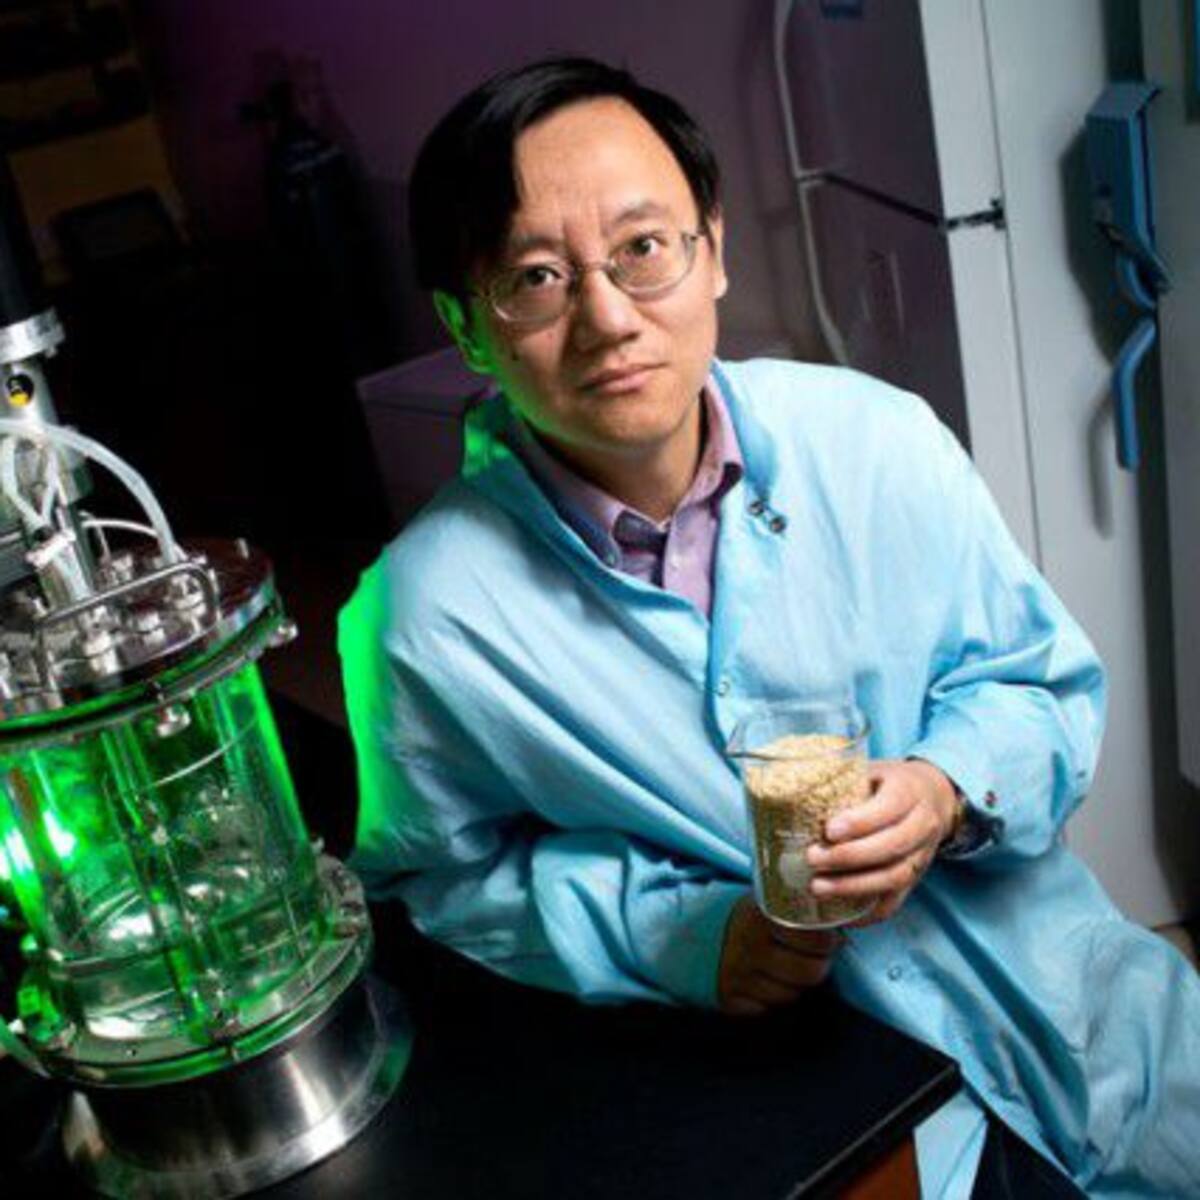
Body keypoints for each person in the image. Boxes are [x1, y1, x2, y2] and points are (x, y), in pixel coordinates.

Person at [339, 57, 1200, 1198]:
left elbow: (1042, 687)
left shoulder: (876, 438)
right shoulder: (423, 617)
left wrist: (946, 786)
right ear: (466, 326)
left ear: (714, 250)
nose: (608, 319)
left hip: (1076, 1008)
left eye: (644, 248)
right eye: (536, 278)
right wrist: (684, 937)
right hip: (834, 1101)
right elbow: (438, 884)